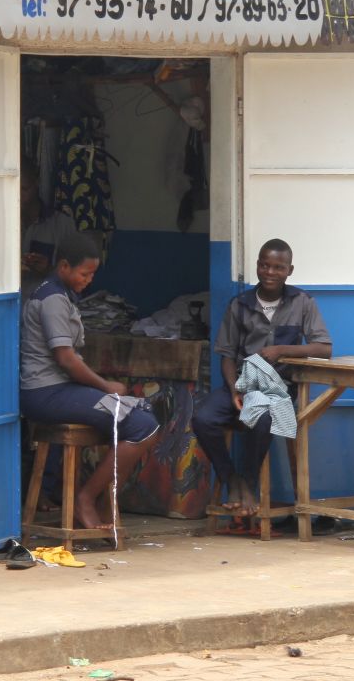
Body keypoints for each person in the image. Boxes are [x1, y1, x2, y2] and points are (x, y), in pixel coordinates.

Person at [20, 233, 158, 531]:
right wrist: (105, 386)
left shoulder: (61, 294)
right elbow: (66, 359)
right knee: (143, 426)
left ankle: (90, 497)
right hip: (46, 393)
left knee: (143, 413)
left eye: (93, 274)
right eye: (85, 273)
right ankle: (86, 498)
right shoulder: (52, 299)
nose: (89, 280)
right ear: (65, 266)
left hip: (59, 390)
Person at [192, 239, 332, 516]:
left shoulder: (302, 302)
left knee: (265, 416)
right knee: (202, 418)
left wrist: (282, 350)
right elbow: (227, 355)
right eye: (264, 265)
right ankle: (230, 478)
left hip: (278, 388)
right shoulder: (239, 305)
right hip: (242, 384)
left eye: (278, 267)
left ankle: (248, 482)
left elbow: (324, 348)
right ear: (257, 265)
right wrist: (234, 390)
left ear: (289, 270)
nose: (270, 272)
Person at [20, 170, 80, 298]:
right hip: (8, 307)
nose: (18, 195)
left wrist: (49, 270)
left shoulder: (63, 225)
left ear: (36, 183)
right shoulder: (1, 225)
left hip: (46, 309)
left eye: (24, 189)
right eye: (13, 188)